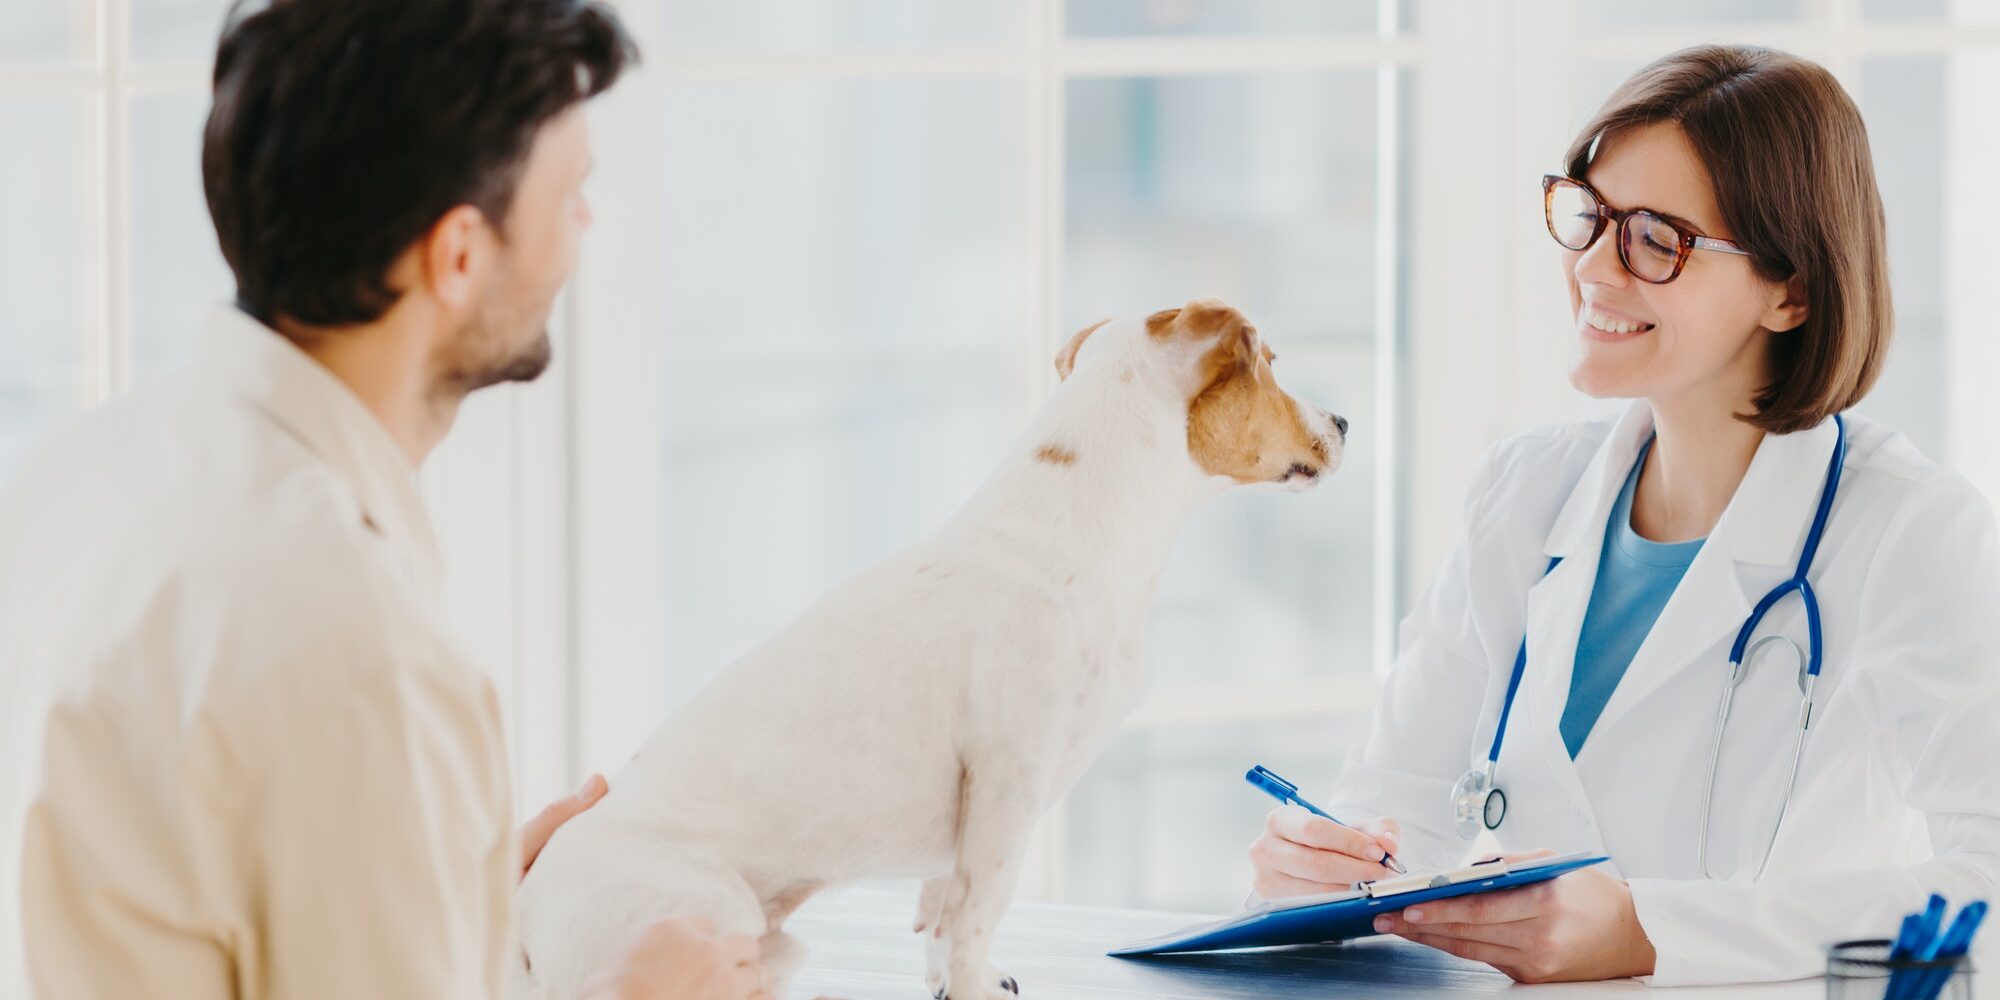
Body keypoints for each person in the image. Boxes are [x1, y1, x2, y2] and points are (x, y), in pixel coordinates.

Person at [0, 1, 767, 997]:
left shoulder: (78, 476)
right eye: (572, 193)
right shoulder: (361, 655)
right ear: (459, 255)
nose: (586, 226)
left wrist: (439, 889)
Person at [1248, 44, 2000, 986]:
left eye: (1656, 237)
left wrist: (1655, 932)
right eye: (1590, 216)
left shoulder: (1913, 532)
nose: (1594, 268)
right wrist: (1324, 872)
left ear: (1791, 290)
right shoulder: (1524, 491)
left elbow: (1989, 886)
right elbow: (1396, 809)